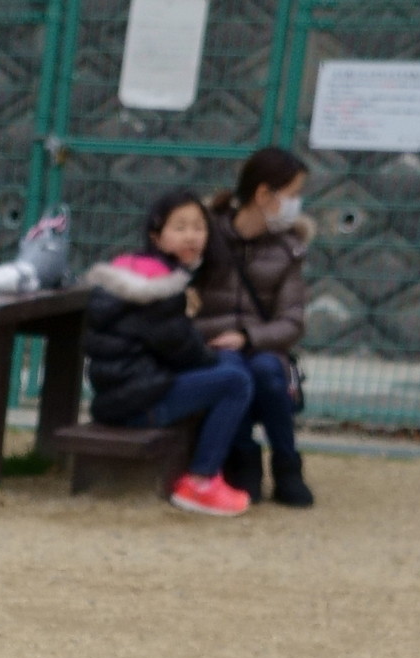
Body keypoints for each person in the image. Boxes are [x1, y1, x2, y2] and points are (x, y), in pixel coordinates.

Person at [82, 191, 253, 518]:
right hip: (138, 402)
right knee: (235, 380)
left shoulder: (137, 270)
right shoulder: (159, 287)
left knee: (231, 366)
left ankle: (217, 470)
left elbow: (174, 344)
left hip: (128, 391)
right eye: (180, 227)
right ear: (156, 236)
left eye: (199, 227)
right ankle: (201, 481)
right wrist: (211, 352)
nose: (192, 236)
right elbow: (185, 351)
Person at [195, 145, 314, 508]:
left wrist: (248, 337)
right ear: (263, 194)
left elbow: (292, 321)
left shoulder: (288, 249)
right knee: (234, 371)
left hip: (261, 349)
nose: (297, 204)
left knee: (263, 368)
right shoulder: (205, 237)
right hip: (209, 345)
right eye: (292, 194)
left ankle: (286, 463)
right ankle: (244, 460)